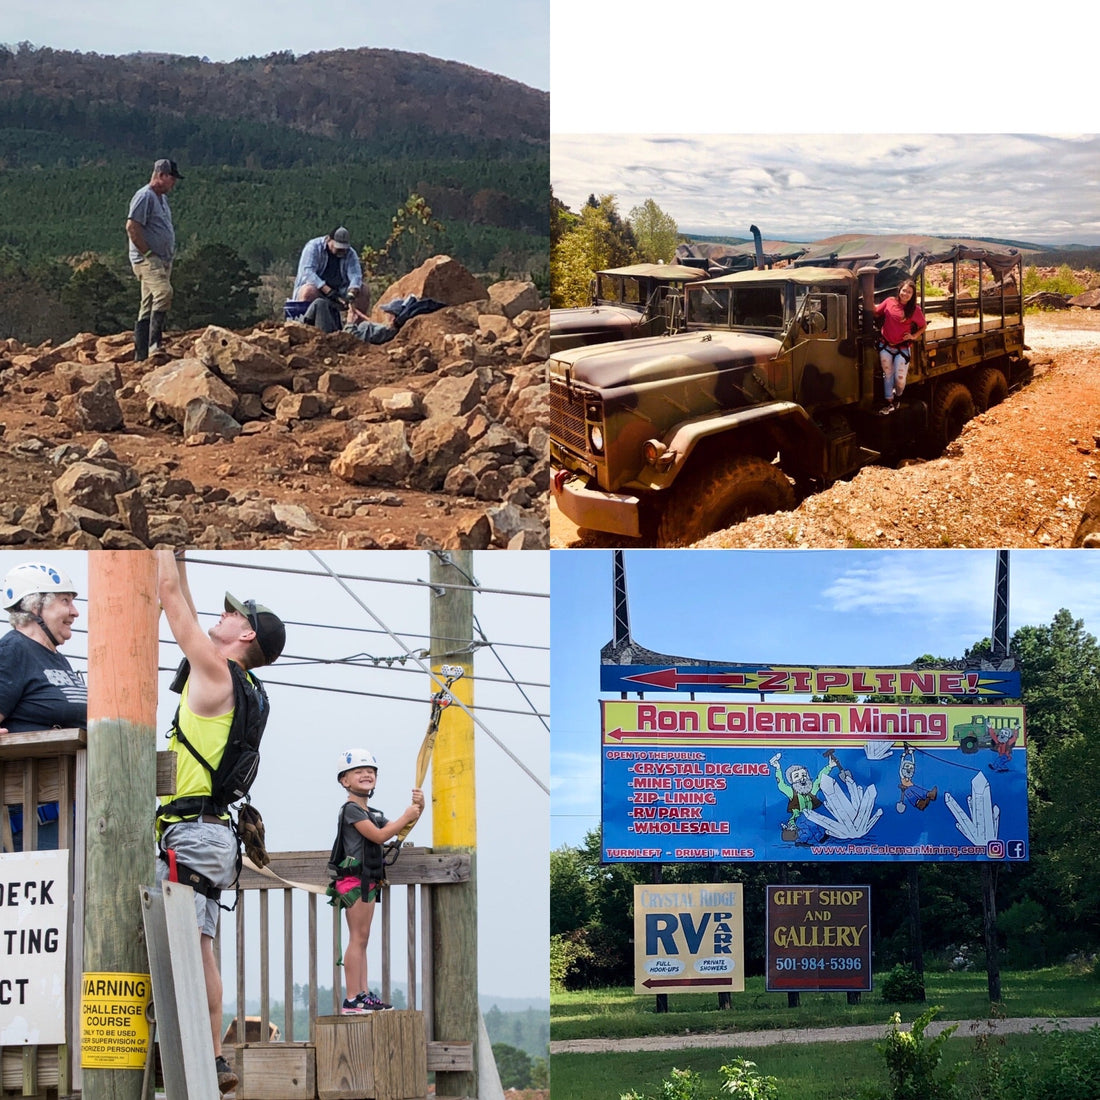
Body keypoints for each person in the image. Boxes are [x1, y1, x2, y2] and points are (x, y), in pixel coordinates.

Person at [154, 550, 285, 1095]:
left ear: (245, 633)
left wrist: (160, 550)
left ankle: (186, 1051)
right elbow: (180, 593)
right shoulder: (247, 690)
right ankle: (209, 1059)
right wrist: (180, 556)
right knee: (200, 946)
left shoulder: (215, 672)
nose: (222, 615)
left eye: (234, 614)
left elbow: (169, 598)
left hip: (190, 834)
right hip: (213, 835)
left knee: (180, 944)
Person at [0, 562, 87, 852]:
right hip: (29, 821)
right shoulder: (13, 651)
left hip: (66, 810)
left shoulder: (55, 658)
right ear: (35, 607)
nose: (75, 611)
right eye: (65, 601)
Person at [333, 748, 424, 1014]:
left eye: (370, 771)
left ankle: (361, 993)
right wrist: (407, 816)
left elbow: (397, 828)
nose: (366, 775)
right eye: (358, 771)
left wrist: (418, 808)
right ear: (344, 780)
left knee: (362, 939)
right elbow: (379, 836)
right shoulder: (352, 810)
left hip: (366, 881)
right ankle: (353, 997)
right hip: (354, 881)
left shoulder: (370, 811)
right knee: (357, 938)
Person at [126, 158, 183, 362]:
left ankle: (140, 355)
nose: (173, 183)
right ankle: (154, 344)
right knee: (164, 292)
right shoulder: (145, 196)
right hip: (148, 259)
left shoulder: (161, 198)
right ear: (161, 175)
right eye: (171, 178)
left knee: (148, 303)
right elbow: (132, 226)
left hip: (160, 258)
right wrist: (148, 253)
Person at [293, 227, 371, 330]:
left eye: (344, 248)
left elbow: (356, 275)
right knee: (309, 291)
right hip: (318, 290)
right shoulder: (313, 247)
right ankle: (306, 328)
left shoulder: (350, 253)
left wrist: (352, 293)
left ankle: (356, 330)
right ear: (329, 240)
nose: (342, 251)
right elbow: (307, 272)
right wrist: (327, 290)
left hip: (340, 291)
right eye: (338, 247)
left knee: (363, 290)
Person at [874, 278, 927, 413]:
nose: (905, 294)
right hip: (885, 345)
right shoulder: (889, 302)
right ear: (900, 290)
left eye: (909, 292)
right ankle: (889, 402)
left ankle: (898, 397)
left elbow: (923, 325)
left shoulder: (914, 310)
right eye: (904, 290)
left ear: (912, 295)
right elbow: (876, 312)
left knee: (900, 378)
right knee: (888, 374)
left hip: (902, 348)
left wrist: (914, 336)